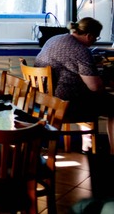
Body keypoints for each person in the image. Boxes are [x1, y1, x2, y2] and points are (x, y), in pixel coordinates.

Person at [35, 17, 114, 153]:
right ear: (89, 36)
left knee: (91, 100)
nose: (94, 41)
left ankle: (87, 146)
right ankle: (112, 151)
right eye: (96, 38)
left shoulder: (54, 39)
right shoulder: (81, 51)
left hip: (42, 101)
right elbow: (95, 87)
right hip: (64, 104)